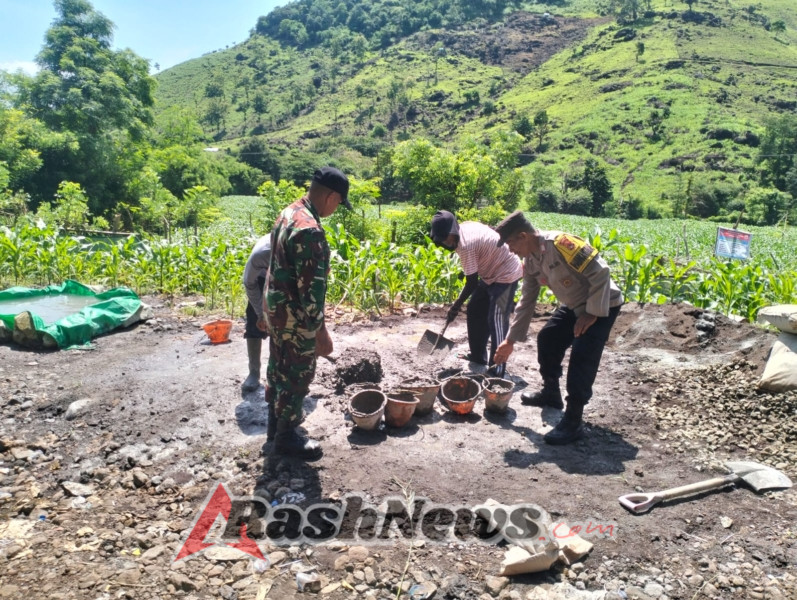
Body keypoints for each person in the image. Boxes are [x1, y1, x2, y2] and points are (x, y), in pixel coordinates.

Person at [492, 211, 623, 445]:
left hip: (602, 303)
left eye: (511, 243)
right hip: (575, 305)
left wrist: (592, 313)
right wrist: (509, 341)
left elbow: (601, 272)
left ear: (523, 236)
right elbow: (527, 301)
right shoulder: (531, 261)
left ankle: (573, 420)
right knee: (548, 338)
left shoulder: (562, 244)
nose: (511, 250)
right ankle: (551, 394)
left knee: (582, 355)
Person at [263, 166, 351, 459]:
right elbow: (311, 293)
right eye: (339, 203)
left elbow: (273, 266)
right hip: (295, 318)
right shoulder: (310, 230)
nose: (336, 209)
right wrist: (320, 333)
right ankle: (286, 438)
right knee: (297, 374)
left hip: (277, 311)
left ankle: (275, 427)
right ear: (332, 196)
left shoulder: (288, 213)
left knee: (278, 368)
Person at [429, 210, 523, 377]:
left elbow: (471, 282)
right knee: (474, 308)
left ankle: (497, 369)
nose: (444, 242)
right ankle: (478, 357)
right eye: (441, 239)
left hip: (506, 273)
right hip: (490, 274)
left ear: (452, 231)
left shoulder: (465, 245)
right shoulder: (463, 228)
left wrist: (455, 306)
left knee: (497, 319)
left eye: (445, 238)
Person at [241, 234, 271, 393]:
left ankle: (277, 373)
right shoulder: (261, 255)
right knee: (254, 322)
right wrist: (260, 313)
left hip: (286, 280)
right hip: (260, 279)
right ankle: (254, 372)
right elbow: (249, 283)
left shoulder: (302, 251)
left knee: (284, 324)